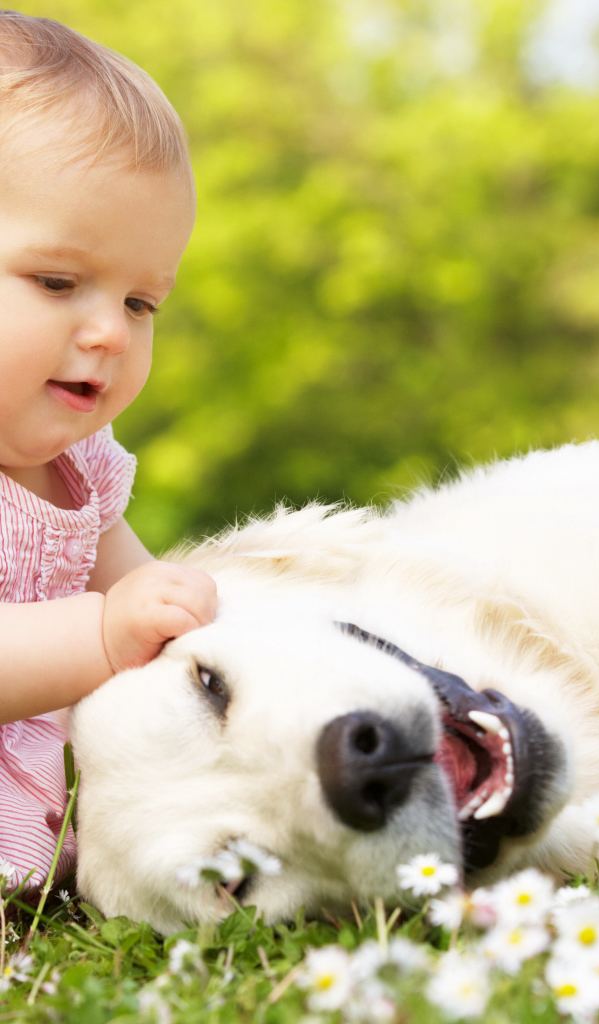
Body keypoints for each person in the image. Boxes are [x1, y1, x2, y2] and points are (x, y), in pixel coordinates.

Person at [0, 10, 218, 889]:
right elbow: (114, 623)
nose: (112, 334)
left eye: (141, 303)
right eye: (58, 282)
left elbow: (143, 603)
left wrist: (179, 621)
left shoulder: (86, 473)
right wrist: (104, 632)